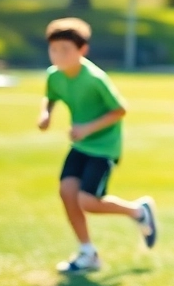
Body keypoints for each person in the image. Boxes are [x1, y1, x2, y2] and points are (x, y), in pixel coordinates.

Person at [38, 18, 156, 273]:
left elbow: (120, 110)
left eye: (65, 50)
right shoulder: (54, 76)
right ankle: (87, 252)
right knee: (67, 193)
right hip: (81, 146)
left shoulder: (94, 79)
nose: (58, 55)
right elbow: (50, 97)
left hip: (104, 147)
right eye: (54, 49)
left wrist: (86, 128)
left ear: (82, 50)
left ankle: (138, 211)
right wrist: (46, 114)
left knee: (88, 201)